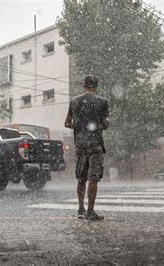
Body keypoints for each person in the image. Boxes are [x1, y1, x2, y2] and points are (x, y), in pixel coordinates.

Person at [64, 75, 109, 221]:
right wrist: (95, 126)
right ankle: (90, 211)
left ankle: (80, 209)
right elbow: (106, 124)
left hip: (80, 144)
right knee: (93, 178)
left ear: (84, 85)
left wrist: (79, 126)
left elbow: (67, 123)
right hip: (95, 144)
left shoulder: (74, 101)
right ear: (96, 86)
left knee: (81, 178)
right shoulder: (103, 102)